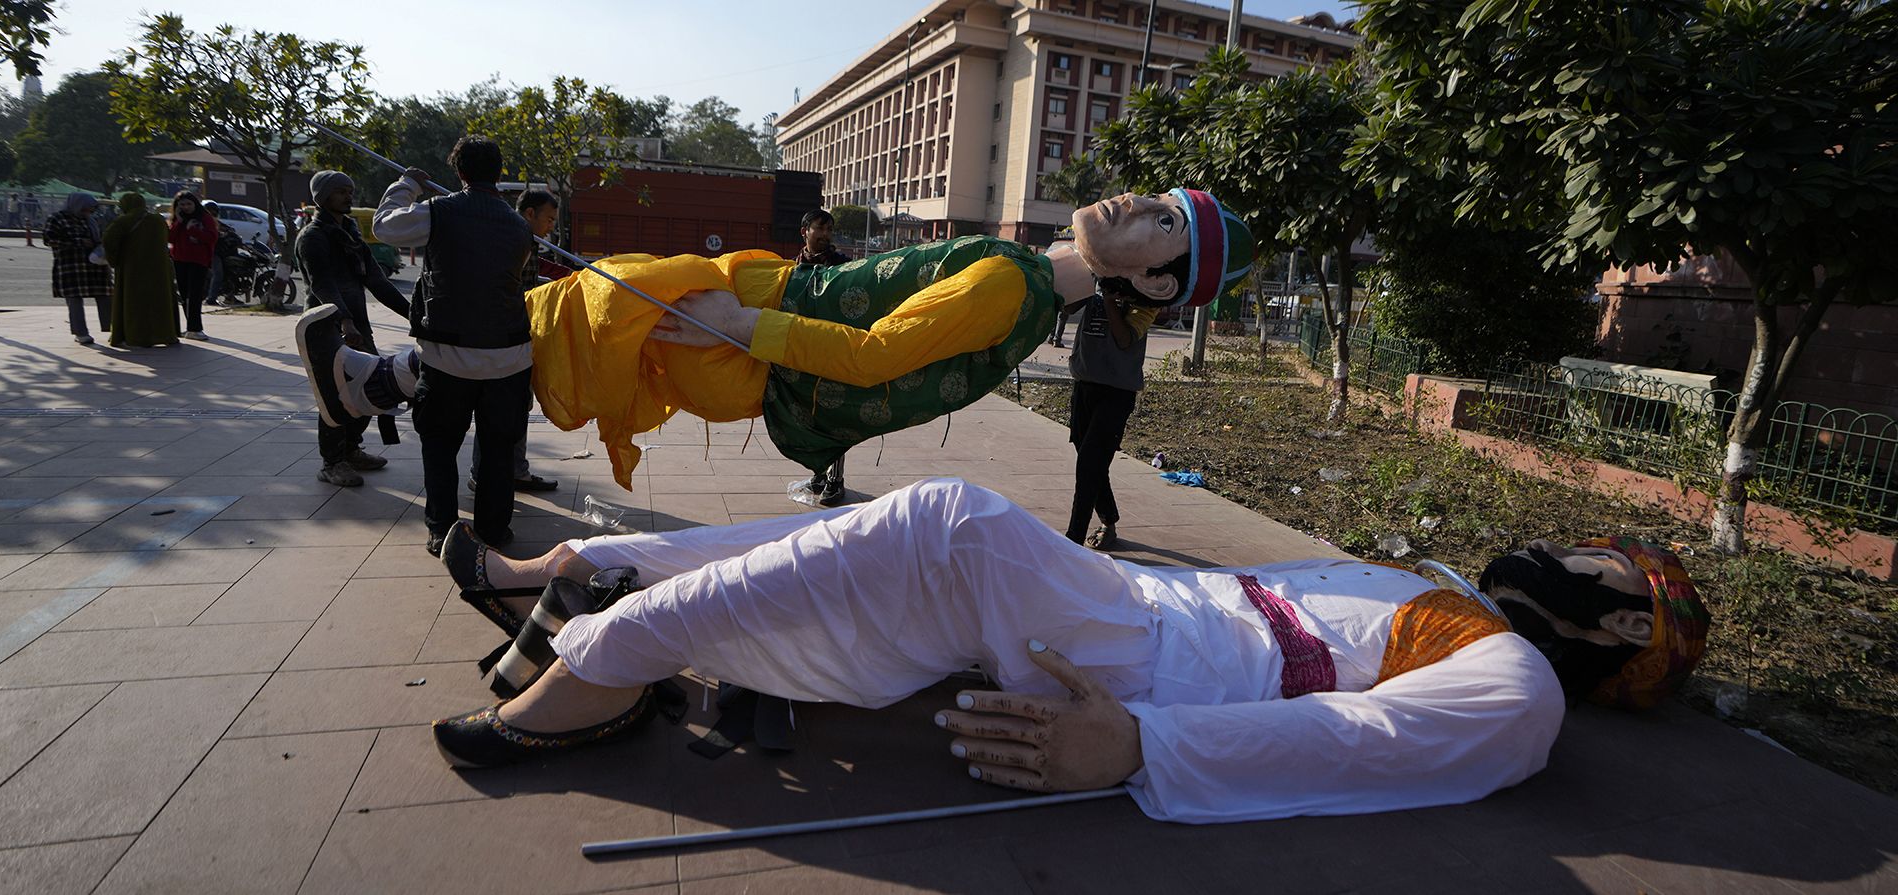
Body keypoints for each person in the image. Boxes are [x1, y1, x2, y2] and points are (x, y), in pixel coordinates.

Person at [426, 477, 1708, 824]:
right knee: (882, 540)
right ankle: (587, 583)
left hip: (1145, 670)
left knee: (949, 521)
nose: (1576, 552)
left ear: (1615, 633)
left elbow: (1366, 739)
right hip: (1138, 611)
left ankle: (596, 660)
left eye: (1607, 572)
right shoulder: (1424, 587)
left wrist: (1137, 745)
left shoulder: (1521, 686)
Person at [301, 190, 1254, 499]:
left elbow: (878, 354)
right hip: (757, 320)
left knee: (573, 326)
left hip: (752, 335)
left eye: (1165, 224)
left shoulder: (1016, 283)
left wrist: (741, 324)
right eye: (1158, 196)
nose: (1138, 202)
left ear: (1158, 281)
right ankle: (376, 383)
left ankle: (373, 384)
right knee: (567, 322)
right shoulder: (1029, 282)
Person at [372, 137, 534, 555]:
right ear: (499, 174)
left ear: (459, 173)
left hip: (448, 361)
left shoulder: (440, 212)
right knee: (498, 451)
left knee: (440, 448)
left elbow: (385, 226)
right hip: (509, 360)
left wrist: (407, 183)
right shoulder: (519, 226)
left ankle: (442, 531)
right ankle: (494, 531)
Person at [296, 170, 411, 488]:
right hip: (325, 328)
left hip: (356, 325)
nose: (349, 196)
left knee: (370, 387)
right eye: (341, 191)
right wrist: (344, 320)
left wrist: (414, 315)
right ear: (322, 196)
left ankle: (351, 448)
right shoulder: (312, 237)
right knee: (335, 395)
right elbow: (323, 285)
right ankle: (332, 462)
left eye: (350, 190)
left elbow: (377, 281)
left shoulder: (350, 234)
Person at [467, 188, 562, 495]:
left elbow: (533, 280)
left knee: (518, 406)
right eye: (548, 219)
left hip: (520, 336)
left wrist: (571, 282)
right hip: (500, 339)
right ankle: (482, 475)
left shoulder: (528, 241)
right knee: (496, 409)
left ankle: (515, 470)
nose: (551, 226)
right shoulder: (509, 238)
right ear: (530, 213)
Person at [792, 208, 854, 506]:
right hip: (805, 352)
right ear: (805, 231)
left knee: (835, 416)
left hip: (834, 350)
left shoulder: (843, 266)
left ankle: (836, 480)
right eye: (821, 228)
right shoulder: (793, 268)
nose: (826, 235)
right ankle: (819, 473)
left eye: (830, 230)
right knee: (810, 416)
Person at [100, 192, 179, 349]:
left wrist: (114, 260)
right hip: (159, 269)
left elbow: (108, 241)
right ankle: (163, 334)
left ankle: (136, 335)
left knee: (134, 303)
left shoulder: (124, 221)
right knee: (159, 302)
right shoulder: (158, 220)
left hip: (133, 268)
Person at [43, 192, 112, 345]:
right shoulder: (57, 219)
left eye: (90, 210)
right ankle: (81, 333)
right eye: (85, 209)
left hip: (93, 266)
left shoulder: (90, 221)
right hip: (70, 265)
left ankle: (112, 329)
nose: (87, 212)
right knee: (74, 300)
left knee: (105, 296)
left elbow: (99, 238)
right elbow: (49, 240)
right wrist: (77, 242)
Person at [166, 191, 217, 341]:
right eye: (182, 205)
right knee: (184, 294)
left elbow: (211, 238)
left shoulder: (205, 218)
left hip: (199, 260)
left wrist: (192, 229)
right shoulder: (177, 220)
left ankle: (195, 328)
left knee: (195, 294)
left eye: (189, 204)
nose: (186, 207)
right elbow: (170, 238)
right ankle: (190, 327)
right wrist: (179, 222)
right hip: (180, 260)